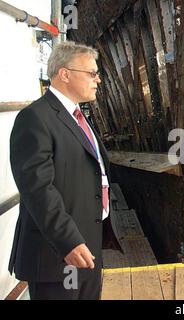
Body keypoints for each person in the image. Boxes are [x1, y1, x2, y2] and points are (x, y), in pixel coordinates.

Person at [9, 41, 120, 300]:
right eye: (92, 73)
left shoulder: (79, 118)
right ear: (65, 74)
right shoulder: (35, 118)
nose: (98, 80)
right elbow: (38, 189)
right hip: (58, 254)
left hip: (87, 248)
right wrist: (68, 240)